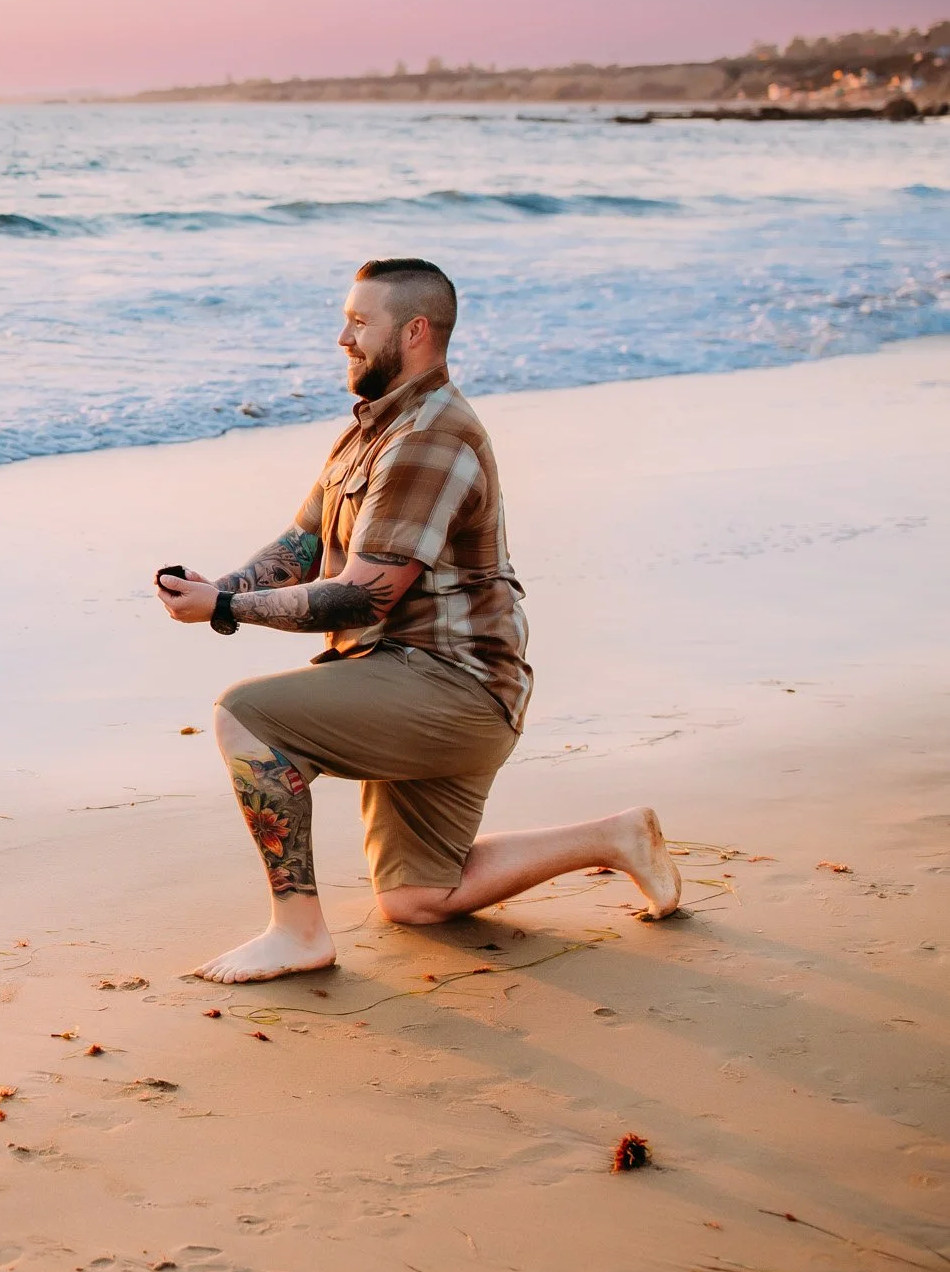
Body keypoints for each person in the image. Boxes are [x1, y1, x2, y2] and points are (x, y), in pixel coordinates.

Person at [155, 258, 679, 984]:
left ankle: (297, 931)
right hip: (414, 679)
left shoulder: (432, 437)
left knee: (245, 716)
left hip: (451, 687)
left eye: (360, 322)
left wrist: (226, 610)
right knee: (418, 898)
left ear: (417, 331)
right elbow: (302, 544)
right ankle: (614, 836)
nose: (343, 337)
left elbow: (360, 596)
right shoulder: (371, 428)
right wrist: (224, 586)